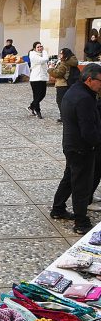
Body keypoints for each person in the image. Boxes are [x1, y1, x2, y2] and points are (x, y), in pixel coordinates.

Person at [50, 64, 101, 235]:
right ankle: (81, 222)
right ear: (89, 80)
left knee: (69, 177)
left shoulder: (73, 90)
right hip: (81, 148)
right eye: (100, 81)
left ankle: (58, 208)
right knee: (82, 185)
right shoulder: (85, 98)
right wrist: (97, 143)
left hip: (70, 144)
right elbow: (88, 131)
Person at [48, 48, 79, 122]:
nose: (60, 55)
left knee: (61, 101)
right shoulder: (71, 61)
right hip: (69, 83)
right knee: (67, 101)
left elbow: (58, 73)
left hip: (62, 84)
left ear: (65, 54)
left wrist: (50, 69)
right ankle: (66, 116)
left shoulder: (64, 62)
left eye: (61, 53)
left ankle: (64, 117)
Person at [28, 41, 49, 119]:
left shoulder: (42, 55)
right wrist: (45, 52)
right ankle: (38, 111)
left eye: (41, 46)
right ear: (34, 48)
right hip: (35, 78)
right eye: (38, 47)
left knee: (42, 95)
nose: (40, 48)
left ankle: (31, 106)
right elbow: (43, 60)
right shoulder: (33, 55)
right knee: (36, 96)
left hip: (43, 77)